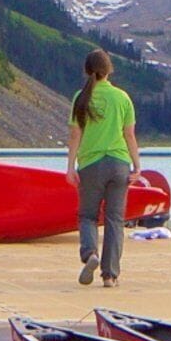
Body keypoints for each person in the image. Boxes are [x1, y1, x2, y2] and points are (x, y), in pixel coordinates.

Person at [69, 49, 136, 288]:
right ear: (110, 70)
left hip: (90, 164)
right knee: (115, 219)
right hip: (119, 163)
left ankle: (90, 254)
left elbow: (75, 134)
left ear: (87, 70)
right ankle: (110, 275)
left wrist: (70, 167)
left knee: (87, 215)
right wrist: (137, 166)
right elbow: (129, 135)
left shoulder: (81, 97)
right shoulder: (122, 97)